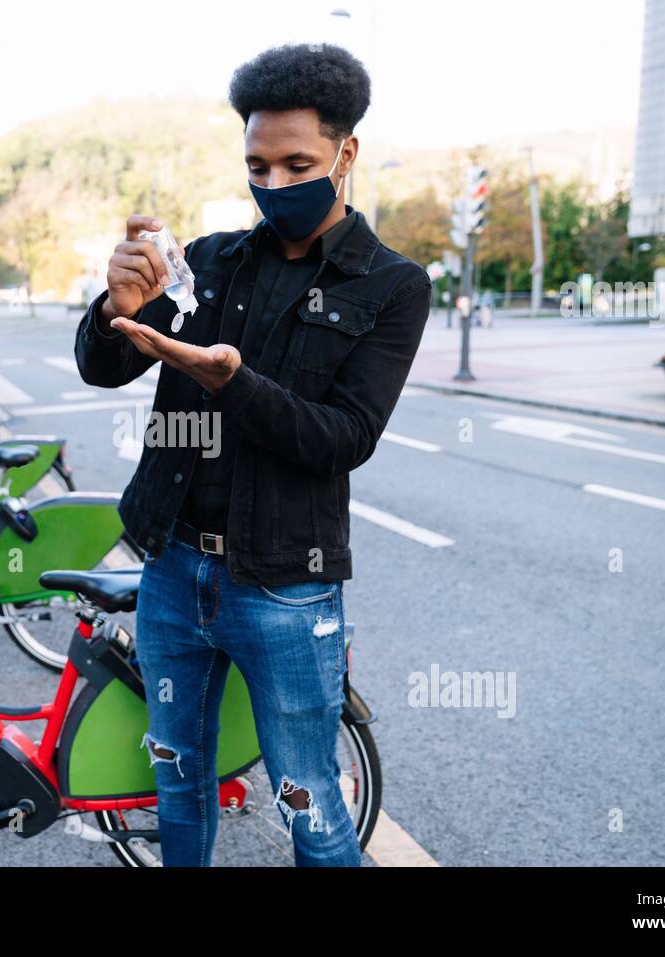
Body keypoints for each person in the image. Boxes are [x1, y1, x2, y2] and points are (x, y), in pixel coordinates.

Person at [74, 42, 432, 867]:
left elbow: (344, 437)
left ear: (346, 154)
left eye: (296, 162)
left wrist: (231, 381)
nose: (273, 184)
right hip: (172, 570)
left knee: (306, 801)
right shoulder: (208, 260)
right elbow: (106, 364)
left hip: (285, 585)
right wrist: (112, 306)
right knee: (177, 781)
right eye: (257, 165)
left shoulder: (390, 284)